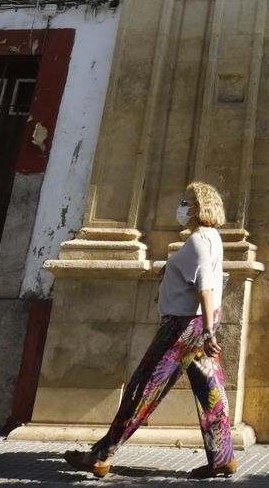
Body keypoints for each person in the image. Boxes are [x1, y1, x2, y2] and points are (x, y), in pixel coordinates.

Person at [64, 182, 236, 480]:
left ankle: (102, 455)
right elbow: (200, 276)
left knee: (143, 387)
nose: (183, 206)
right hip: (195, 324)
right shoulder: (211, 238)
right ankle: (223, 458)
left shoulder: (198, 241)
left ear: (200, 207)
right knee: (210, 390)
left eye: (188, 202)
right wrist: (170, 271)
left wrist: (208, 331)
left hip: (183, 327)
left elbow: (206, 286)